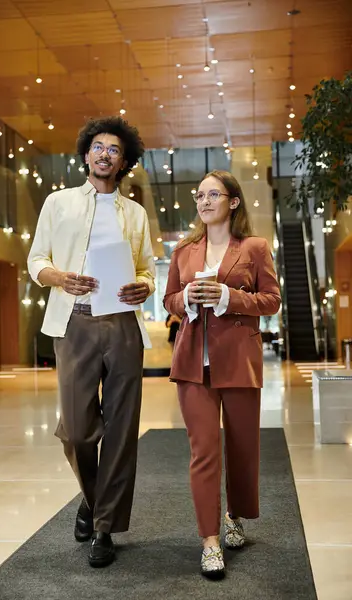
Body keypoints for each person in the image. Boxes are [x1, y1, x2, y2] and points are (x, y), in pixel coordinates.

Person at [28, 117, 155, 568]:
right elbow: (36, 259)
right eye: (97, 147)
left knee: (121, 431)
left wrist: (144, 285)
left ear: (125, 162)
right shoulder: (58, 203)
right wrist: (60, 278)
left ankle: (105, 528)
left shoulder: (134, 213)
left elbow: (147, 270)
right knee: (79, 430)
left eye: (114, 150)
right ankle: (94, 495)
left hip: (122, 325)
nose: (104, 154)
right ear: (86, 155)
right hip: (75, 323)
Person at [163, 170, 281, 580]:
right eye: (199, 195)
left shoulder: (254, 246)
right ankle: (209, 540)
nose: (204, 201)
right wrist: (186, 299)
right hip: (193, 363)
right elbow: (169, 300)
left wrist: (230, 297)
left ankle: (235, 515)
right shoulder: (184, 250)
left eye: (213, 194)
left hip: (238, 360)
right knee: (204, 451)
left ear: (233, 201)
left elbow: (271, 301)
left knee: (243, 446)